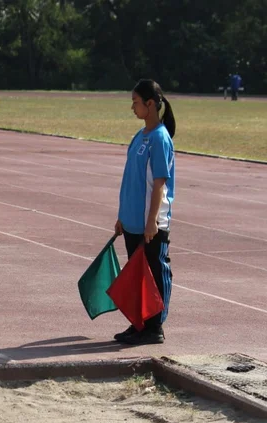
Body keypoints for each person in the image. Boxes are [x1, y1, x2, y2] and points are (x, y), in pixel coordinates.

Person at [113, 79, 175, 344]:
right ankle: (139, 323)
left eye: (136, 102)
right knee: (137, 275)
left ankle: (154, 327)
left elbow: (159, 183)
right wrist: (122, 216)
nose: (132, 107)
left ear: (151, 104)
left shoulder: (160, 138)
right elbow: (131, 179)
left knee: (154, 272)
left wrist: (152, 221)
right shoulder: (139, 136)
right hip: (132, 222)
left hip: (151, 224)